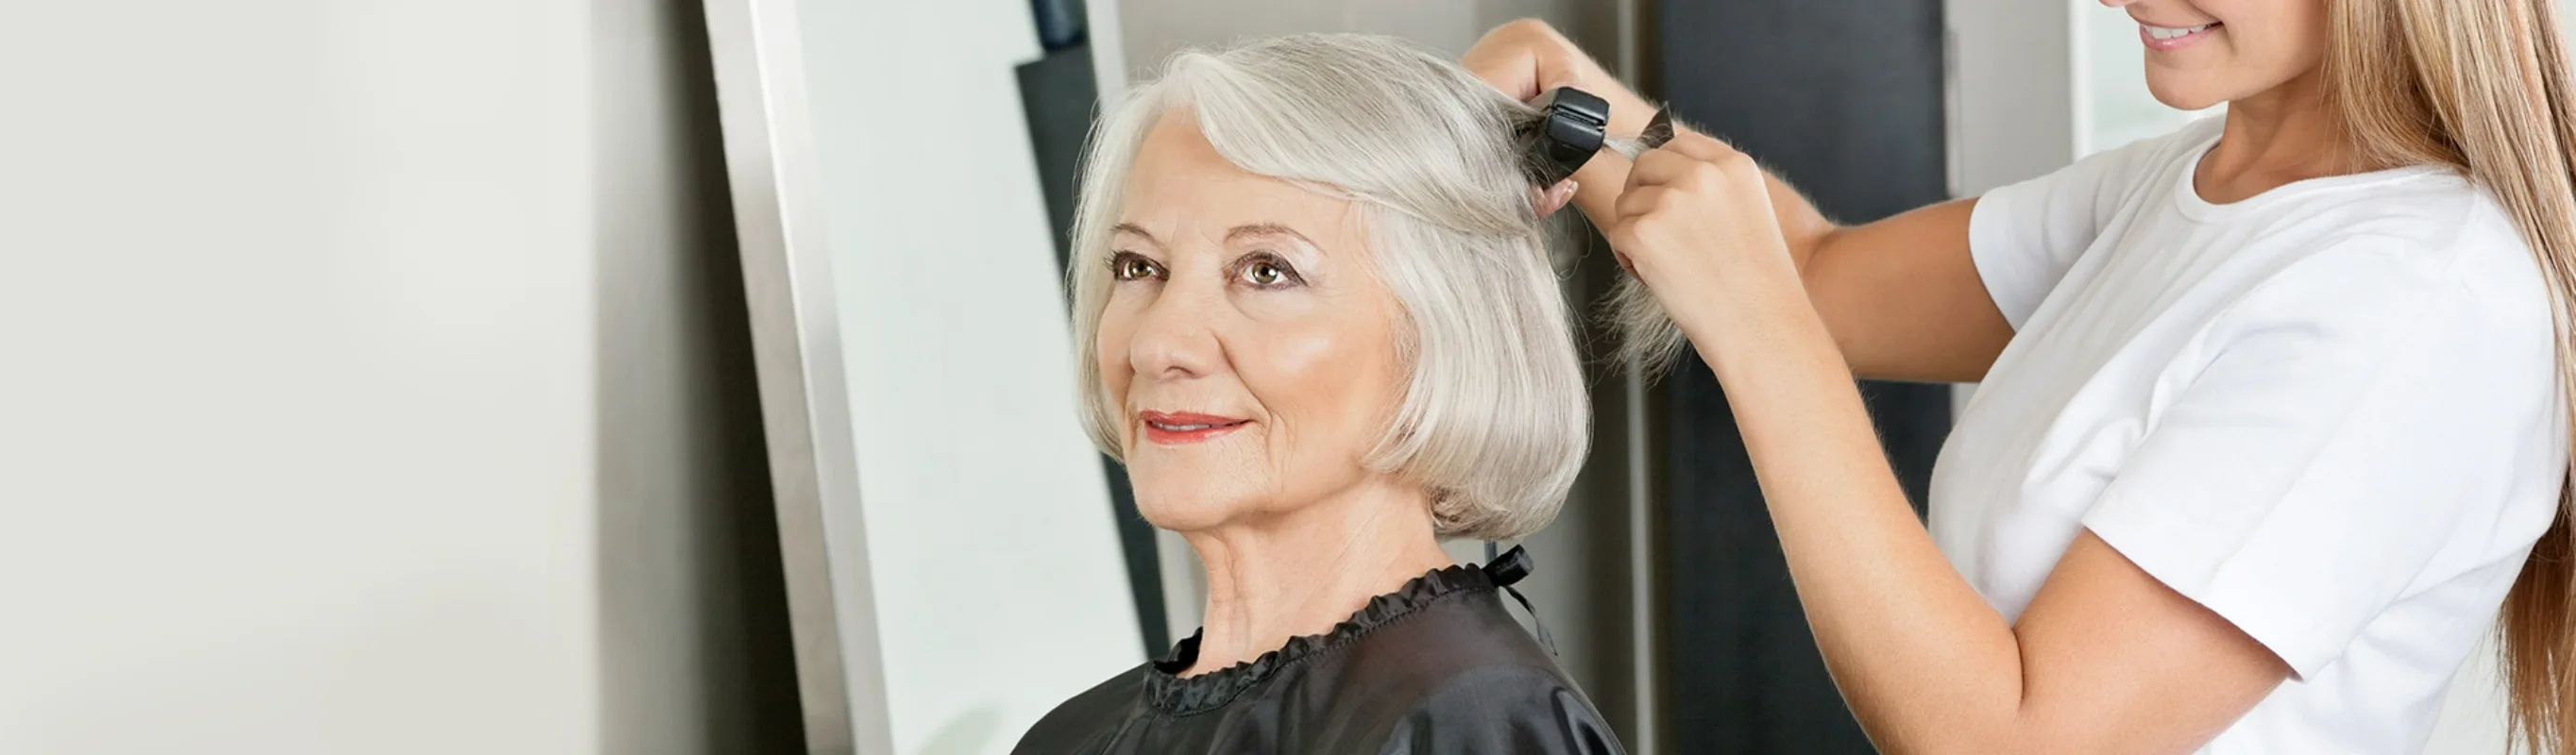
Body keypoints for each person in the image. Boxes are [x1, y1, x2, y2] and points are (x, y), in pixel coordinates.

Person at [1461, 0, 2576, 751]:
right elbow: (1816, 278)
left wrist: (1760, 337)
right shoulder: (2189, 184)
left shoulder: (2411, 298)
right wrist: (1573, 102)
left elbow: (2013, 737)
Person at [1009, 34, 1625, 755]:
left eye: (1266, 271)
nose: (1158, 345)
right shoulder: (1070, 737)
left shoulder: (1469, 724)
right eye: (1139, 265)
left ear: (1440, 331)